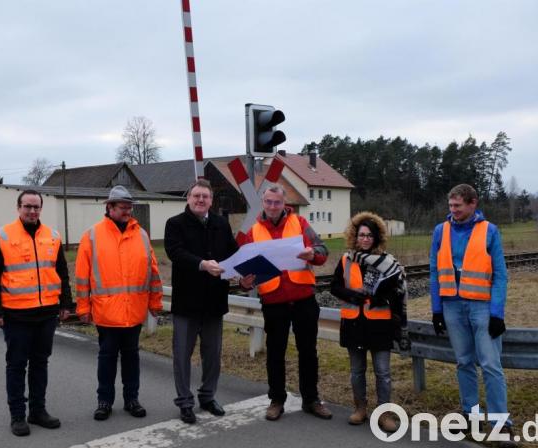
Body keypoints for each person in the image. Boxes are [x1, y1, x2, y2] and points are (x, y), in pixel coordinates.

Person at [430, 184, 516, 448]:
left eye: (458, 206)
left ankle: (501, 425)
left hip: (481, 307)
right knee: (464, 362)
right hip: (452, 306)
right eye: (450, 206)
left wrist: (496, 313)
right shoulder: (440, 231)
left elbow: (501, 274)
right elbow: (434, 271)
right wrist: (436, 309)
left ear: (472, 204)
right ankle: (471, 415)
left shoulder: (489, 231)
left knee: (490, 364)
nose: (452, 211)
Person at [0, 189, 73, 437]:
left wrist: (66, 303)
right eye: (27, 206)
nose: (32, 211)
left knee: (40, 363)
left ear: (41, 209)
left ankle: (38, 410)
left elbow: (62, 272)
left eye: (36, 207)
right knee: (17, 365)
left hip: (46, 313)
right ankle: (18, 416)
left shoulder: (53, 236)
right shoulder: (1, 236)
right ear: (18, 207)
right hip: (16, 314)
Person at [237, 184, 332, 421]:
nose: (272, 206)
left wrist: (313, 254)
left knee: (308, 352)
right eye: (268, 202)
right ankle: (276, 399)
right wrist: (245, 282)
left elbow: (322, 249)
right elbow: (244, 273)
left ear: (284, 203)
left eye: (276, 202)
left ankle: (311, 399)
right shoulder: (253, 231)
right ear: (263, 203)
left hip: (303, 299)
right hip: (273, 301)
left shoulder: (299, 223)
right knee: (275, 353)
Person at [164, 179, 254, 424]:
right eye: (196, 196)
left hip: (214, 301)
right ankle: (184, 402)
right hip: (187, 302)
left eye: (205, 196)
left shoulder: (220, 223)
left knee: (212, 354)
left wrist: (244, 276)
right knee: (182, 354)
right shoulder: (175, 224)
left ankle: (207, 396)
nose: (200, 200)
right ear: (188, 198)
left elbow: (233, 254)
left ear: (211, 201)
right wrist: (202, 264)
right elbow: (175, 252)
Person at [74, 185, 163, 421]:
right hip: (107, 313)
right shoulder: (92, 235)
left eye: (129, 207)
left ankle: (132, 399)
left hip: (134, 311)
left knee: (132, 357)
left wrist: (155, 303)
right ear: (109, 207)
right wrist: (83, 307)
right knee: (107, 358)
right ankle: (104, 401)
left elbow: (152, 272)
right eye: (123, 207)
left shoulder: (141, 235)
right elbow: (82, 276)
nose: (127, 211)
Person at [330, 212, 411, 433]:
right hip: (354, 323)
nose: (365, 239)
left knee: (383, 373)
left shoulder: (388, 262)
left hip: (379, 324)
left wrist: (382, 298)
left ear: (377, 238)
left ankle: (384, 413)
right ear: (355, 237)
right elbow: (334, 286)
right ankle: (360, 409)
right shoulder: (346, 259)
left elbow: (398, 292)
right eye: (361, 235)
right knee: (357, 370)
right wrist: (350, 295)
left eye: (369, 236)